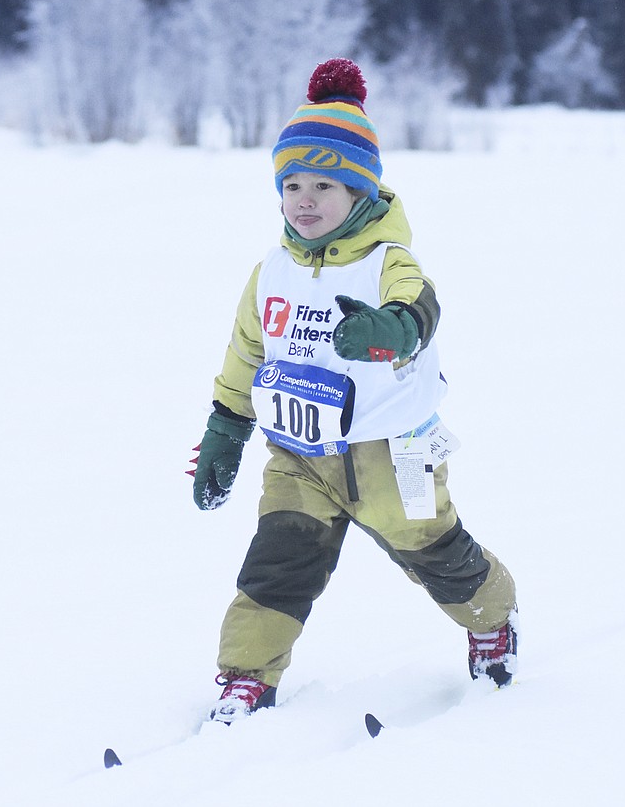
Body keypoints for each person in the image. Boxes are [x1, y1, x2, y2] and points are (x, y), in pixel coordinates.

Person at [189, 58, 518, 723]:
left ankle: (493, 619)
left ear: (361, 193)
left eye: (325, 185)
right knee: (277, 562)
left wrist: (391, 328)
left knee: (433, 553)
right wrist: (225, 429)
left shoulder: (386, 260)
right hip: (299, 457)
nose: (305, 200)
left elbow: (419, 306)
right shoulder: (270, 273)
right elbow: (244, 356)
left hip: (392, 454)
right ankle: (247, 679)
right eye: (293, 185)